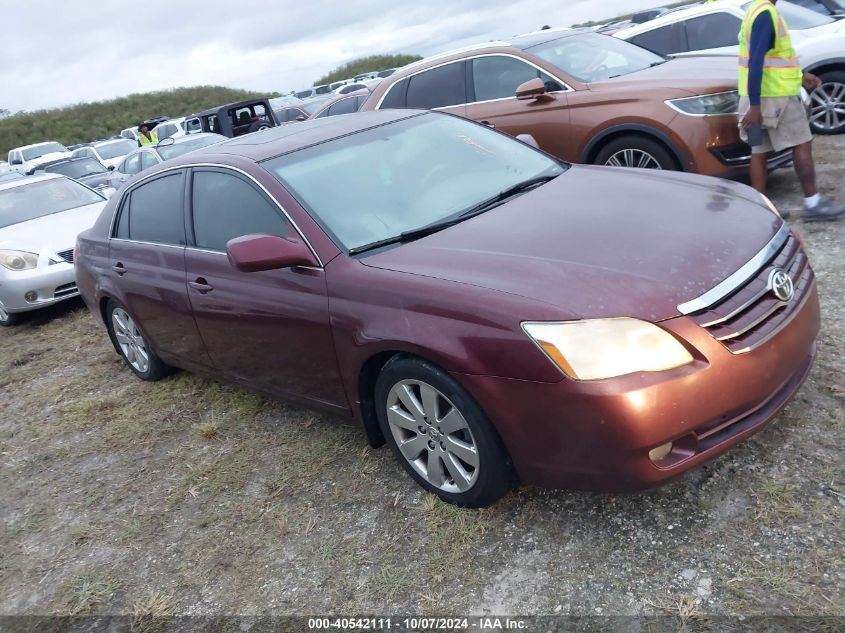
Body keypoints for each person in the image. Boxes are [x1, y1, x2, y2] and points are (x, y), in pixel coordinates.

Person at [738, 0, 844, 221]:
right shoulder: (766, 14)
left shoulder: (754, 10)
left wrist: (802, 76)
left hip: (757, 96)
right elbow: (757, 61)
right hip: (777, 98)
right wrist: (756, 107)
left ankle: (762, 211)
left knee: (758, 151)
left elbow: (771, 58)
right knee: (801, 143)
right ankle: (813, 203)